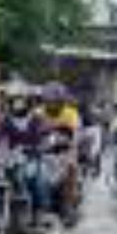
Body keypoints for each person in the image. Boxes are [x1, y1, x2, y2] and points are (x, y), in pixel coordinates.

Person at [0, 82, 47, 221]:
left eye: (21, 100)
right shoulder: (6, 120)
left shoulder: (35, 119)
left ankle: (37, 212)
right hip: (12, 157)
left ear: (28, 101)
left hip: (31, 157)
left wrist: (38, 145)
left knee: (36, 181)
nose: (18, 104)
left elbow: (42, 135)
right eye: (15, 100)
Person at [33, 82, 82, 217]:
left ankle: (69, 203)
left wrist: (73, 147)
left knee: (71, 166)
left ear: (61, 101)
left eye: (55, 101)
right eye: (49, 101)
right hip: (43, 152)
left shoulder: (71, 114)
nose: (52, 104)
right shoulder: (38, 113)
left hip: (64, 152)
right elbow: (31, 130)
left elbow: (77, 133)